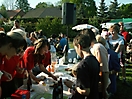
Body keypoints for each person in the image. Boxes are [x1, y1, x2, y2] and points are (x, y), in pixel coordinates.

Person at [64, 34, 100, 99]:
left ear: (79, 47)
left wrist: (73, 86)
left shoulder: (82, 65)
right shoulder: (94, 60)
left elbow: (85, 91)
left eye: (76, 49)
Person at [81, 29, 110, 99]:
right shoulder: (93, 48)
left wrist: (104, 90)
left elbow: (104, 70)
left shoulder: (98, 48)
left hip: (100, 86)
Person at [0, 30, 27, 98]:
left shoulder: (2, 56)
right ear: (10, 46)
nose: (16, 54)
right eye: (18, 50)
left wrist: (3, 73)